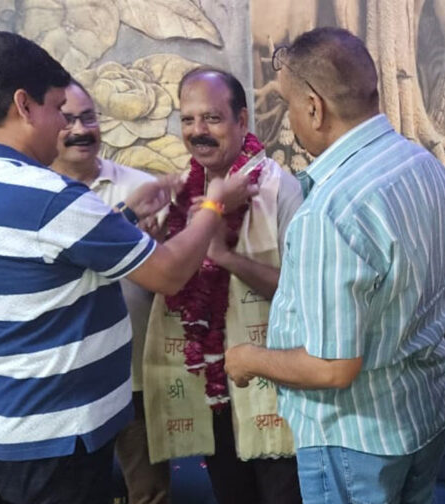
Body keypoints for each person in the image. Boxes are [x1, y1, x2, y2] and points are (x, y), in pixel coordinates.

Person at [0, 31, 254, 504]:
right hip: (58, 434)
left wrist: (124, 218)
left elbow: (50, 260)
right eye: (58, 109)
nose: (65, 127)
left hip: (5, 420)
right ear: (24, 106)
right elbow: (168, 273)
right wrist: (213, 205)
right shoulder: (51, 198)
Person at [225, 27, 445, 504]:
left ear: (314, 108)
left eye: (290, 106)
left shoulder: (332, 210)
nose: (291, 119)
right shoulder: (425, 165)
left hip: (356, 439)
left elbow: (332, 367)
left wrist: (248, 359)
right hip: (421, 414)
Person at [143, 67, 303, 504]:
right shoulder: (181, 195)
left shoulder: (279, 189)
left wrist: (227, 257)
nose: (198, 131)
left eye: (212, 118)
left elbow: (301, 296)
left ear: (242, 120)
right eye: (188, 119)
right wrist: (154, 244)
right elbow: (169, 286)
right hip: (210, 385)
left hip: (275, 386)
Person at [51, 80, 170, 504]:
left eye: (88, 118)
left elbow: (172, 279)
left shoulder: (142, 188)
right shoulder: (39, 194)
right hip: (66, 379)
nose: (80, 130)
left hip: (133, 371)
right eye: (67, 120)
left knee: (148, 489)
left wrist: (159, 245)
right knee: (75, 490)